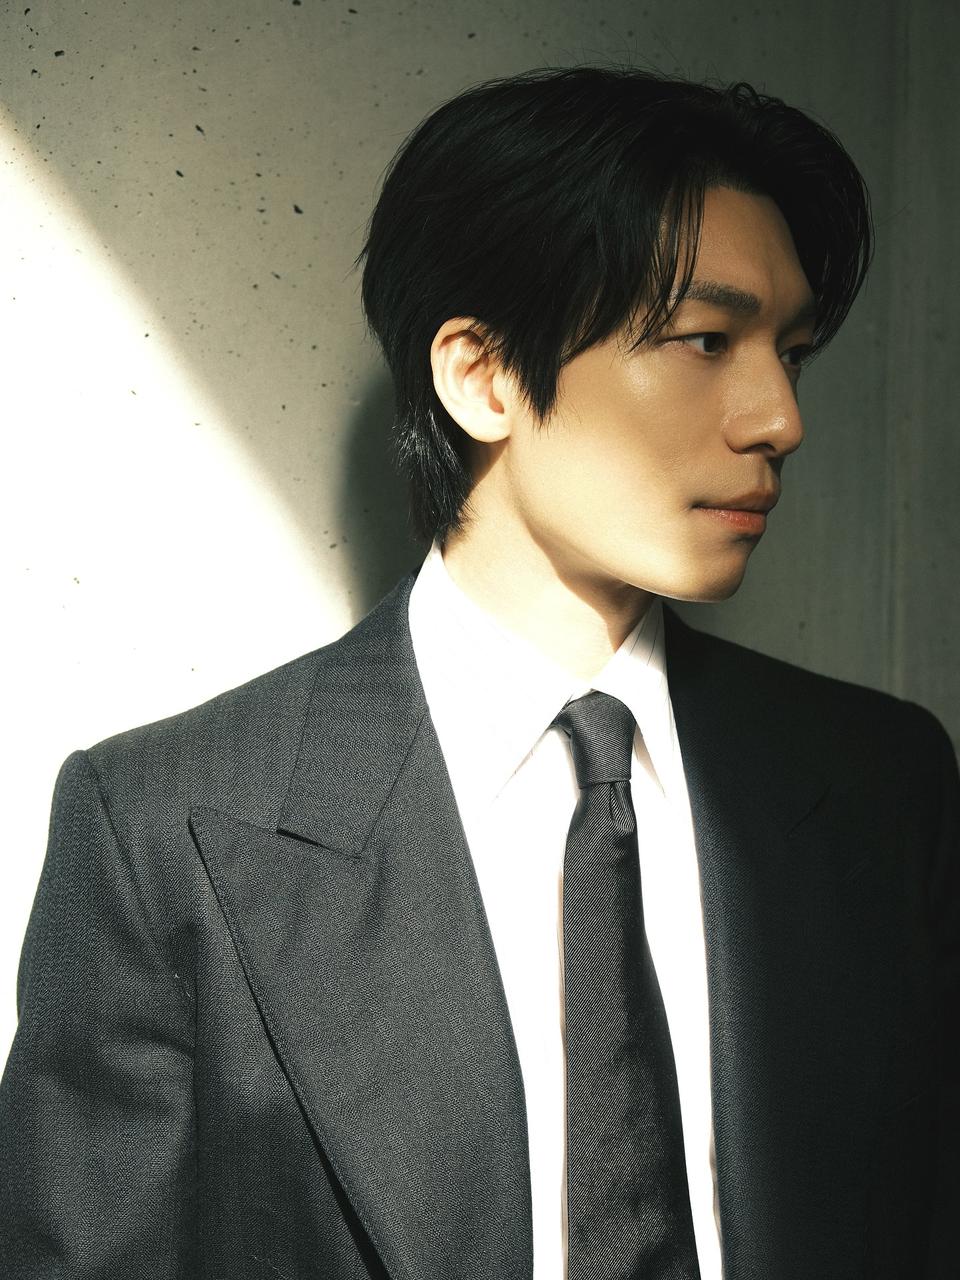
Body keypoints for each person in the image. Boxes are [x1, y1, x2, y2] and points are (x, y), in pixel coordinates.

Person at [1, 64, 956, 1280]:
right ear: (484, 375)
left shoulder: (881, 781)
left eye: (794, 353)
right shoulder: (165, 825)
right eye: (707, 340)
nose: (779, 417)